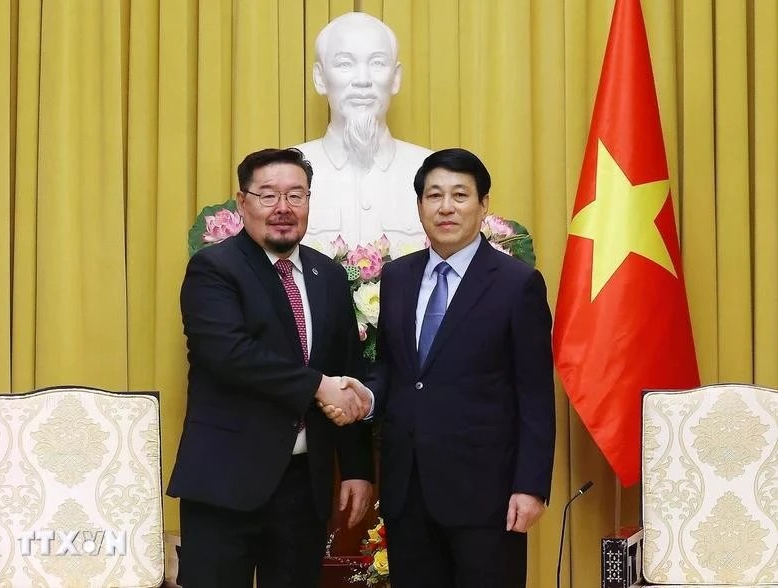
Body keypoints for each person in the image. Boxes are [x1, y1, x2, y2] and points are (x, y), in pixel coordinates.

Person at [333, 148, 556, 587]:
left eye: (460, 195)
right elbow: (398, 371)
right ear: (420, 206)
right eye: (434, 195)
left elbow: (534, 393)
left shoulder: (516, 284)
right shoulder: (397, 277)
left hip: (487, 495)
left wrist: (530, 486)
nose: (446, 207)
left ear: (483, 204)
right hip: (408, 490)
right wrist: (369, 396)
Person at [168, 147, 374, 587]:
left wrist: (356, 467)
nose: (283, 208)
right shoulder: (214, 269)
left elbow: (346, 368)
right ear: (242, 202)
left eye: (295, 195)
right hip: (226, 480)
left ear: (308, 203)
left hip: (305, 484)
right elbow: (229, 355)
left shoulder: (329, 276)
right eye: (268, 195)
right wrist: (318, 386)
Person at [295, 12, 432, 252]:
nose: (362, 80)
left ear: (396, 78)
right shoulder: (281, 174)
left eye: (377, 63)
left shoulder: (433, 171)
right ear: (319, 78)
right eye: (345, 64)